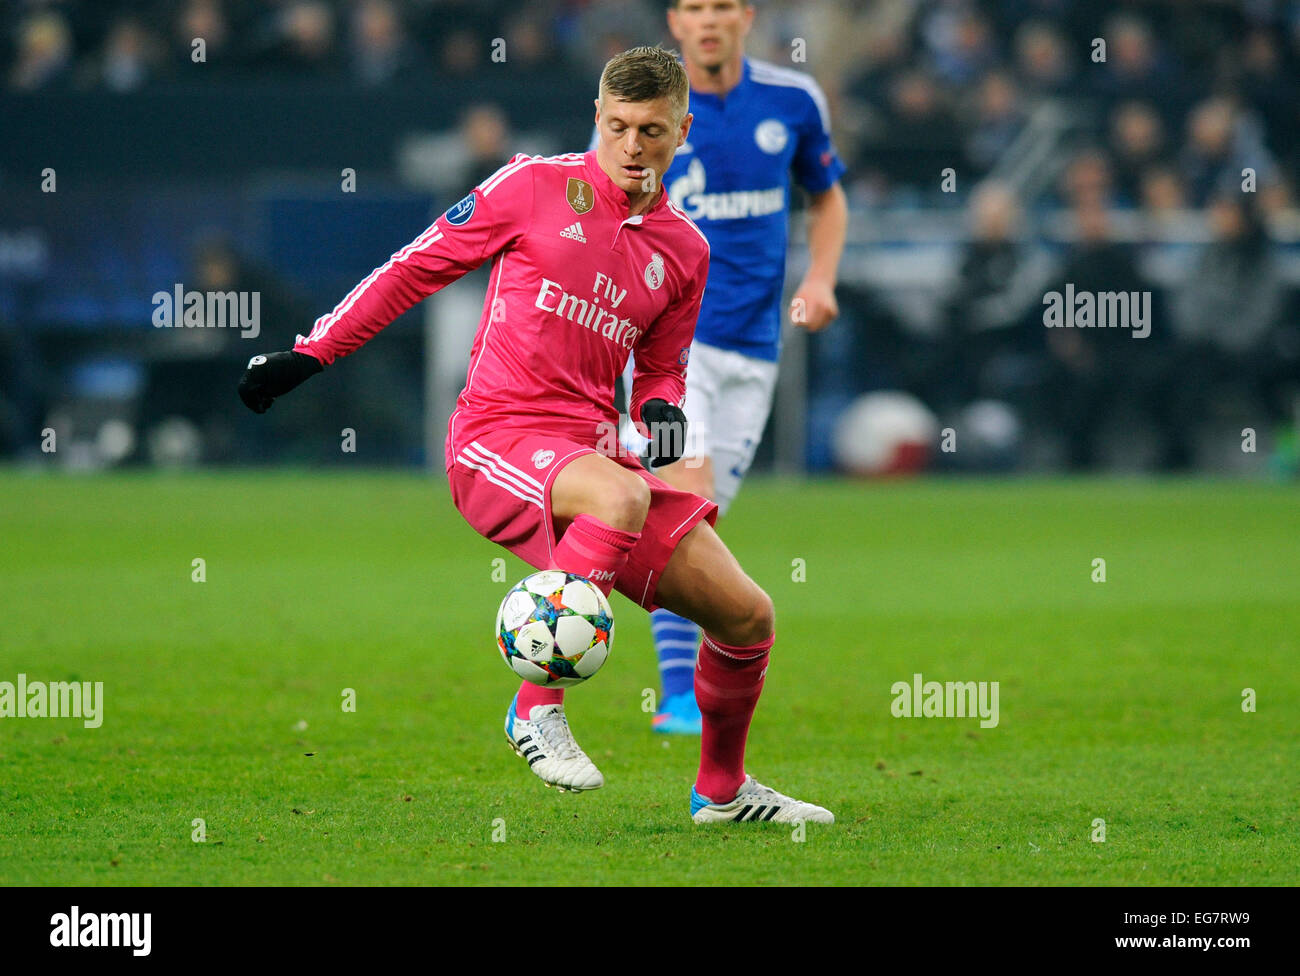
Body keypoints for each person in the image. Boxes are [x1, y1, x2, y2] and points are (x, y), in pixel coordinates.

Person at [237, 45, 832, 825]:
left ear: (682, 131)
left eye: (651, 131)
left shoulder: (685, 249)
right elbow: (414, 269)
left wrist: (662, 409)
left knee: (747, 615)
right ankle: (533, 709)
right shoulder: (531, 186)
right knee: (619, 497)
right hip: (496, 437)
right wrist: (314, 352)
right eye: (617, 126)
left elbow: (662, 367)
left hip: (594, 456)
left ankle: (722, 792)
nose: (631, 146)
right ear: (597, 117)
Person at [638, 0, 848, 733]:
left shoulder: (793, 100)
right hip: (671, 350)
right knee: (684, 497)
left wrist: (820, 278)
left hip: (755, 350)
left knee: (698, 525)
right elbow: (603, 212)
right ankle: (676, 696)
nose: (709, 20)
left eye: (721, 6)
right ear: (675, 21)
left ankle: (673, 681)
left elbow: (827, 197)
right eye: (694, 7)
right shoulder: (646, 108)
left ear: (746, 16)